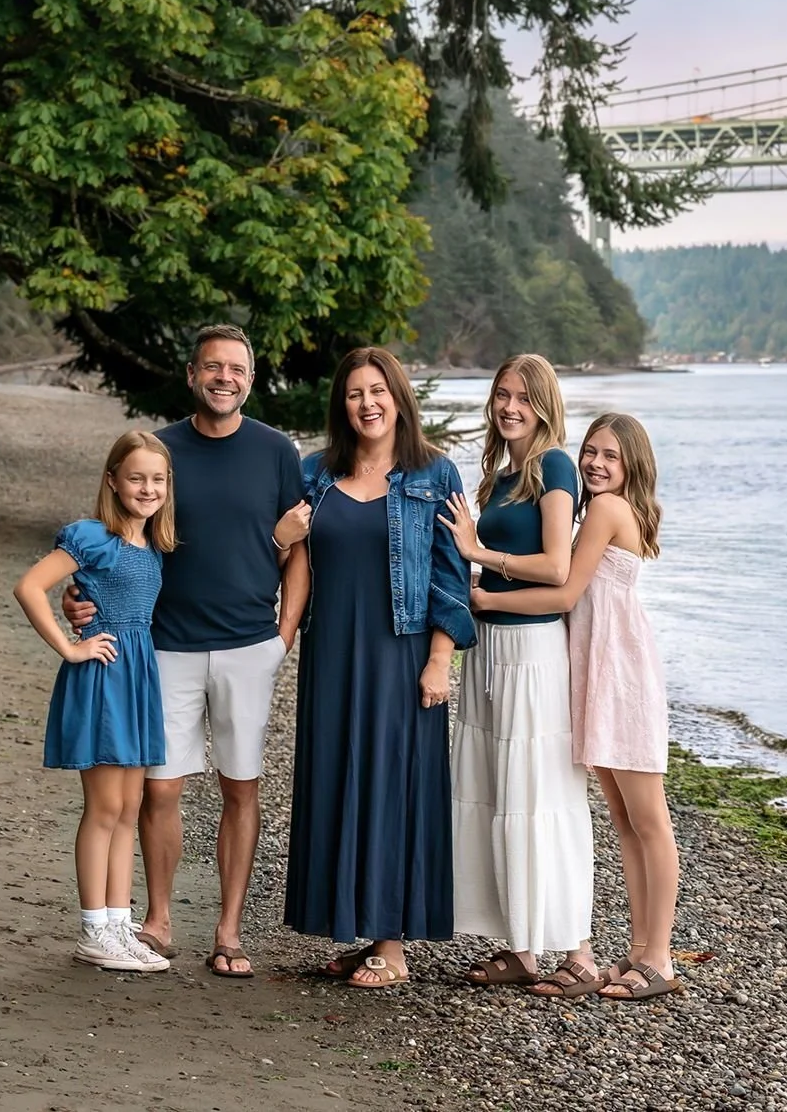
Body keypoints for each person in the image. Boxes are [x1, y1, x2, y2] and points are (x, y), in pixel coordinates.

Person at [63, 325, 310, 978]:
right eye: (213, 367)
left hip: (250, 646)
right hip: (164, 647)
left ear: (250, 379)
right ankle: (158, 919)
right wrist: (78, 598)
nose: (225, 377)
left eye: (237, 368)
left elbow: (299, 552)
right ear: (192, 374)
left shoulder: (276, 451)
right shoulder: (158, 451)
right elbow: (115, 543)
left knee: (240, 786)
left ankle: (228, 931)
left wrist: (282, 638)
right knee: (160, 788)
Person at [280, 347, 476, 989]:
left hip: (401, 652)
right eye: (354, 393)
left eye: (377, 391)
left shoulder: (434, 474)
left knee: (395, 785)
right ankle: (356, 925)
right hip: (331, 651)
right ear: (342, 404)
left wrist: (439, 660)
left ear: (398, 398)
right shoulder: (315, 473)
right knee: (338, 778)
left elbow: (451, 576)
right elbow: (287, 558)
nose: (367, 404)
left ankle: (392, 947)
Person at [471, 412, 680, 1000]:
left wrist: (483, 594)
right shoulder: (598, 511)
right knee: (625, 822)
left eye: (611, 455)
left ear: (633, 464)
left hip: (621, 677)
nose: (595, 463)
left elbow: (564, 591)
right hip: (597, 673)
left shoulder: (608, 510)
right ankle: (638, 951)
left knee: (649, 821)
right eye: (591, 451)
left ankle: (660, 957)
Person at [438, 354, 595, 991]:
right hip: (490, 651)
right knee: (500, 795)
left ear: (545, 405)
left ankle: (579, 952)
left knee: (542, 796)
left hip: (532, 654)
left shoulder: (555, 466)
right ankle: (522, 948)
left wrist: (479, 556)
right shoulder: (501, 476)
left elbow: (557, 568)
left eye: (525, 398)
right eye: (503, 394)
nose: (510, 407)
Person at [13, 430, 175, 973]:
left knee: (129, 808)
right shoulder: (93, 537)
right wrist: (70, 647)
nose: (147, 489)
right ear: (112, 480)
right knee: (104, 809)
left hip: (138, 678)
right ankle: (92, 931)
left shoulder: (153, 543)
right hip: (104, 677)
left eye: (157, 479)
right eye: (136, 478)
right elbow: (29, 586)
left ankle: (118, 924)